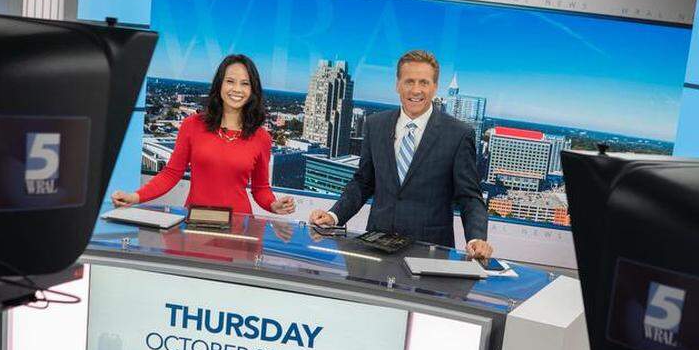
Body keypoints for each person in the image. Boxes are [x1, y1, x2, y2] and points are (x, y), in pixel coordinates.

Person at [309, 50, 493, 259]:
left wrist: (476, 238)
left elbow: (469, 197)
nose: (416, 90)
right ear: (398, 84)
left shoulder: (459, 134)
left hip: (429, 252)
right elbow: (363, 182)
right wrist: (334, 216)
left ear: (434, 87)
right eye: (409, 81)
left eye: (424, 82)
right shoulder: (375, 125)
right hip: (375, 248)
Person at [111, 54, 296, 217]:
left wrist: (273, 205)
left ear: (253, 90)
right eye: (230, 81)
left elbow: (260, 188)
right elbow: (171, 174)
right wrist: (135, 197)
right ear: (220, 84)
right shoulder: (192, 125)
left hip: (239, 226)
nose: (237, 89)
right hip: (196, 221)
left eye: (245, 83)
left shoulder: (261, 137)